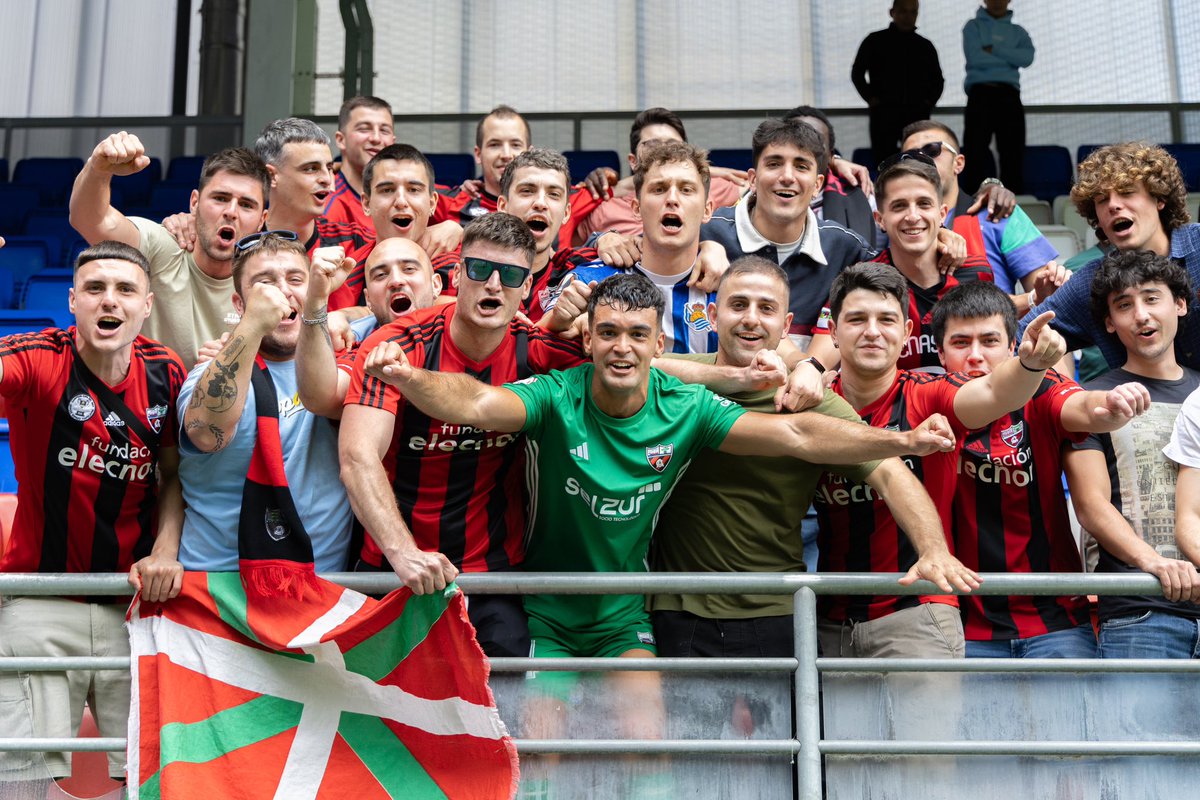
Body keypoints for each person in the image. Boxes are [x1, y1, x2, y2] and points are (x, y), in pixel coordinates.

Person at [359, 269, 971, 793]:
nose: (621, 348)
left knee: (651, 749)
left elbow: (797, 434)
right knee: (537, 752)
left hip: (627, 616)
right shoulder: (553, 394)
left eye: (636, 335)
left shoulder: (686, 406)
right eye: (607, 333)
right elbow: (472, 402)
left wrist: (900, 440)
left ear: (659, 342)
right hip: (545, 612)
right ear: (589, 340)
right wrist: (410, 378)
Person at [651, 256, 972, 660]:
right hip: (680, 607)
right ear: (712, 315)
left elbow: (891, 474)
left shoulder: (810, 399)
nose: (751, 319)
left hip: (776, 607)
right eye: (738, 305)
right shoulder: (674, 380)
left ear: (786, 326)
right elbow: (625, 367)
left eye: (766, 309)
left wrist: (933, 550)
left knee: (791, 726)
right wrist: (737, 378)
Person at [338, 213, 587, 655]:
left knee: (498, 712)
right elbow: (358, 457)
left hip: (492, 575)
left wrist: (735, 374)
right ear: (456, 276)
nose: (493, 284)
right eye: (479, 269)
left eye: (510, 275)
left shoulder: (538, 350)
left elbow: (639, 369)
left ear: (527, 288)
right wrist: (403, 553)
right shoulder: (401, 345)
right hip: (391, 568)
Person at [0, 241, 186, 787]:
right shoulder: (36, 356)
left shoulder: (165, 371)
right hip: (39, 599)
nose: (111, 301)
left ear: (146, 305)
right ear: (72, 301)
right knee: (21, 778)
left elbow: (174, 475)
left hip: (133, 605)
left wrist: (165, 552)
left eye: (125, 289)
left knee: (148, 776)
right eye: (96, 289)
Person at [815, 262, 1068, 658]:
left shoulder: (930, 394)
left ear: (906, 334)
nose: (872, 331)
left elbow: (993, 394)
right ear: (832, 331)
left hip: (919, 613)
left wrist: (1029, 365)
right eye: (857, 319)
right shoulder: (811, 403)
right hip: (827, 621)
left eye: (886, 319)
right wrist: (804, 368)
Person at [932, 281, 1149, 657]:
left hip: (1057, 621)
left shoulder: (1042, 385)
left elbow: (1082, 407)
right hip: (964, 626)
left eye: (989, 341)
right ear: (939, 352)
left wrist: (1109, 404)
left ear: (1013, 347)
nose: (975, 356)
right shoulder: (927, 398)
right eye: (960, 343)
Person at [176, 232, 353, 575]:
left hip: (321, 593)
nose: (283, 291)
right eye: (265, 283)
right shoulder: (207, 374)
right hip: (217, 590)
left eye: (296, 279)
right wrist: (253, 325)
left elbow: (414, 310)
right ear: (239, 304)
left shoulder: (343, 357)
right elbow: (206, 436)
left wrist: (340, 314)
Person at [1065, 251, 1200, 658]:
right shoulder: (1089, 400)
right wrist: (1153, 563)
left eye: (1152, 298)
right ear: (1110, 322)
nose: (1141, 315)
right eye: (1124, 305)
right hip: (1140, 611)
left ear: (1180, 304)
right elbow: (1090, 505)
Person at [69, 132, 270, 369]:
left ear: (261, 220)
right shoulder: (162, 246)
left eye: (246, 205)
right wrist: (99, 169)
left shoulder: (267, 279)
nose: (231, 212)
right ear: (194, 203)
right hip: (147, 402)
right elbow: (90, 219)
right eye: (220, 198)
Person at [1018, 142, 1200, 371]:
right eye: (1102, 199)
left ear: (1160, 199)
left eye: (1126, 192)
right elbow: (1018, 340)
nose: (1113, 205)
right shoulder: (1090, 283)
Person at [809, 157, 994, 374]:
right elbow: (817, 360)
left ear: (942, 213)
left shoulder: (976, 272)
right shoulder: (858, 283)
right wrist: (810, 370)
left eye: (924, 204)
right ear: (880, 220)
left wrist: (1033, 298)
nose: (913, 216)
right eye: (899, 206)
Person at [553, 141, 725, 354]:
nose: (672, 199)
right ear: (636, 208)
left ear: (708, 210)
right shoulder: (588, 282)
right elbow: (539, 345)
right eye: (659, 189)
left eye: (686, 190)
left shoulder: (729, 289)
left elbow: (769, 359)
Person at [900, 120, 1064, 296]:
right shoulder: (897, 222)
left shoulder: (999, 212)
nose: (921, 160)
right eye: (910, 157)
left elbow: (1046, 296)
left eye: (932, 150)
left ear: (958, 163)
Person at [296, 237, 442, 418]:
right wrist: (316, 299)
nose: (396, 281)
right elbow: (321, 399)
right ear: (369, 300)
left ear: (436, 285)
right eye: (381, 275)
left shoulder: (465, 327)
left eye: (409, 269)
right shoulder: (360, 345)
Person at [327, 144, 455, 310]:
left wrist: (359, 314)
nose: (401, 201)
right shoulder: (346, 274)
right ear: (366, 203)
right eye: (387, 190)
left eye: (413, 189)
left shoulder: (462, 264)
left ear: (432, 203)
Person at [495, 148, 598, 321]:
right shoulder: (471, 267)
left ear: (566, 213)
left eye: (553, 194)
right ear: (503, 206)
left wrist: (604, 237)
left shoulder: (582, 266)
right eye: (527, 191)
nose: (541, 203)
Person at [252, 117, 372, 255]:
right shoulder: (242, 242)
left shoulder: (357, 242)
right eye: (311, 169)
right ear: (271, 176)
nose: (327, 179)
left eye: (329, 168)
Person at [851, 0, 944, 168]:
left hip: (917, 115)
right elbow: (857, 73)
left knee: (919, 164)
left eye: (913, 12)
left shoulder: (924, 46)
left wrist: (928, 104)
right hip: (884, 115)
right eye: (903, 11)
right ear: (892, 12)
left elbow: (938, 79)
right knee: (884, 165)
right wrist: (871, 98)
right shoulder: (875, 41)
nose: (908, 17)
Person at [960, 0, 1035, 194]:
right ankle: (971, 206)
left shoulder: (1018, 31)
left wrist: (994, 49)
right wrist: (1010, 57)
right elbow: (976, 58)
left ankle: (1013, 206)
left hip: (1009, 95)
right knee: (975, 154)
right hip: (980, 94)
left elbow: (1027, 58)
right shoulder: (973, 26)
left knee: (1013, 155)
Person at [433, 105, 531, 225]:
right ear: (478, 154)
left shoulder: (551, 209)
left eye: (515, 145)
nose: (506, 155)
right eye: (495, 144)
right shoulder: (450, 203)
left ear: (530, 154)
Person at [324, 95, 395, 231]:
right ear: (340, 140)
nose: (376, 138)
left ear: (393, 141)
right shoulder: (328, 204)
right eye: (364, 129)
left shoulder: (408, 195)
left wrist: (449, 226)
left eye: (384, 130)